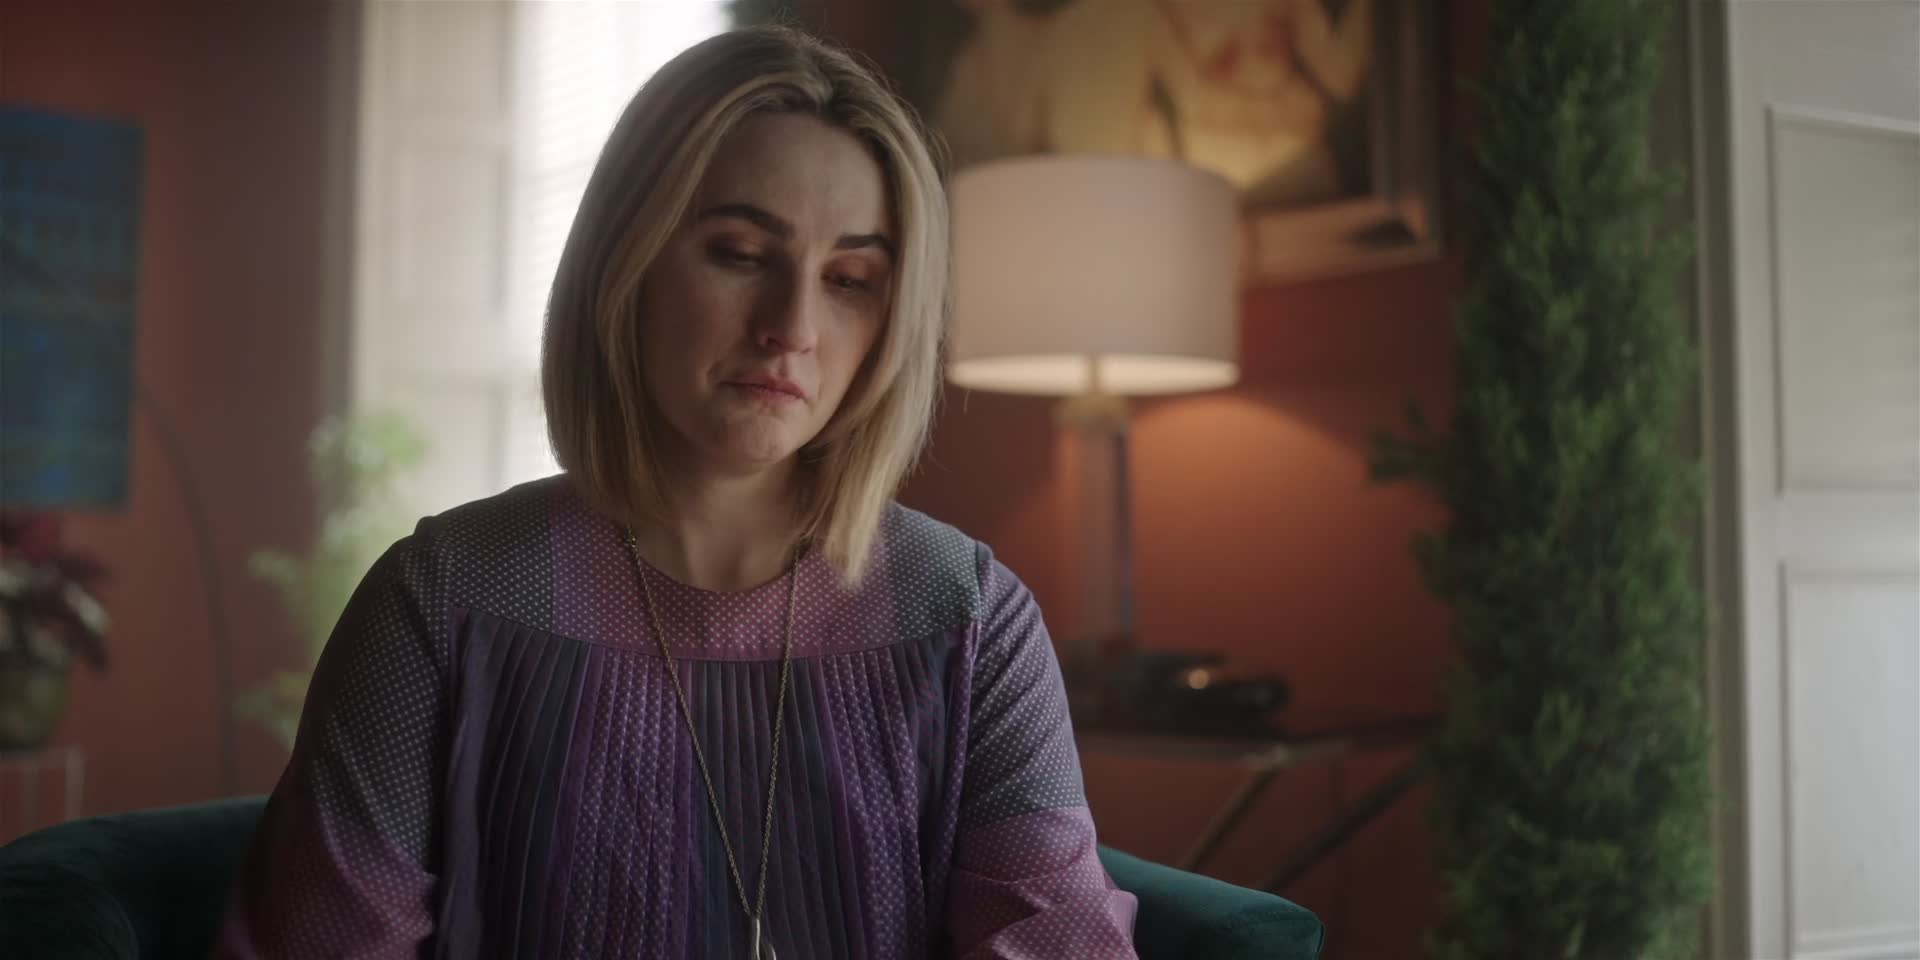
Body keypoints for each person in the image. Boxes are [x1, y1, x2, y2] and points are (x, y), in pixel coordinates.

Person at [213, 25, 1138, 960]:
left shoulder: (969, 618)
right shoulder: (444, 598)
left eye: (850, 279)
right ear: (628, 262)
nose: (791, 326)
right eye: (740, 253)